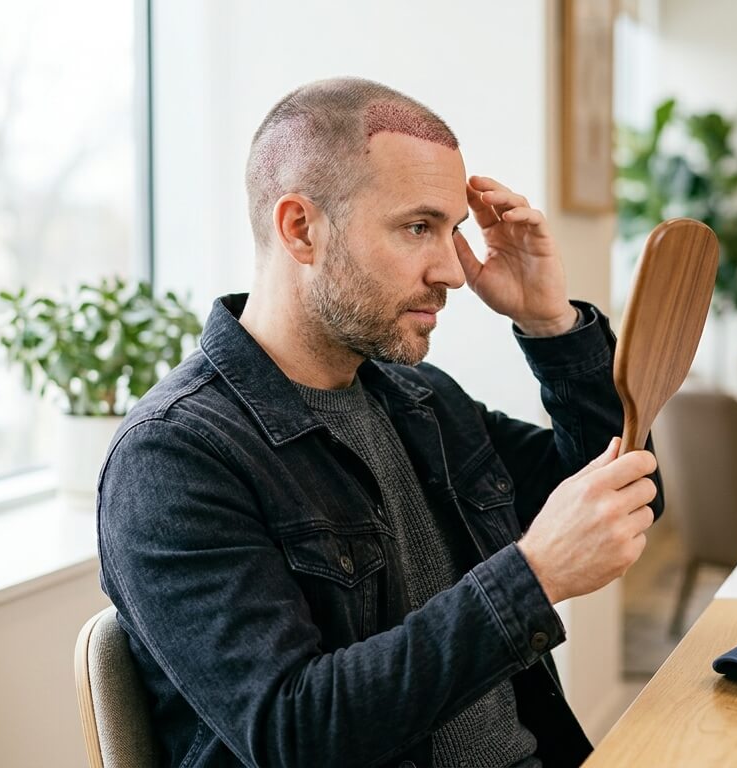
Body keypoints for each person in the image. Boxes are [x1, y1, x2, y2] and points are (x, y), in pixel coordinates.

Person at [97, 77, 662, 768]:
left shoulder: (418, 399)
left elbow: (630, 495)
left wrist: (550, 326)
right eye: (418, 227)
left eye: (454, 230)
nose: (453, 271)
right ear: (300, 229)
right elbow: (294, 735)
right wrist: (532, 578)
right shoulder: (174, 456)